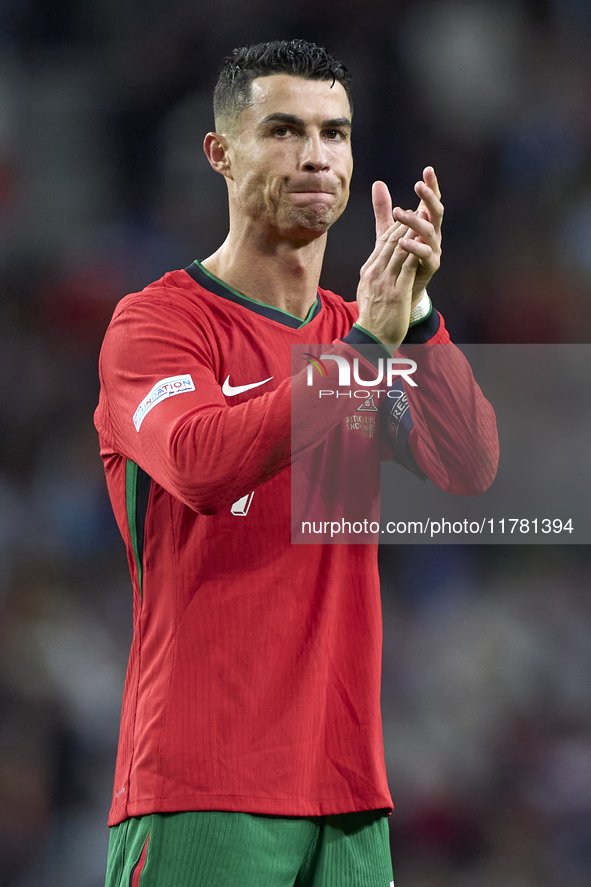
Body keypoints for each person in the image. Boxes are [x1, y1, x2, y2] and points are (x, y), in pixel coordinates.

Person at [95, 39, 498, 887]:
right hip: (204, 785)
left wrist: (416, 310)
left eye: (335, 133)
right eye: (283, 129)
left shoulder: (360, 332)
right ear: (221, 152)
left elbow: (468, 464)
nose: (316, 155)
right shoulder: (160, 325)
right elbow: (201, 463)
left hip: (346, 793)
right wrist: (366, 347)